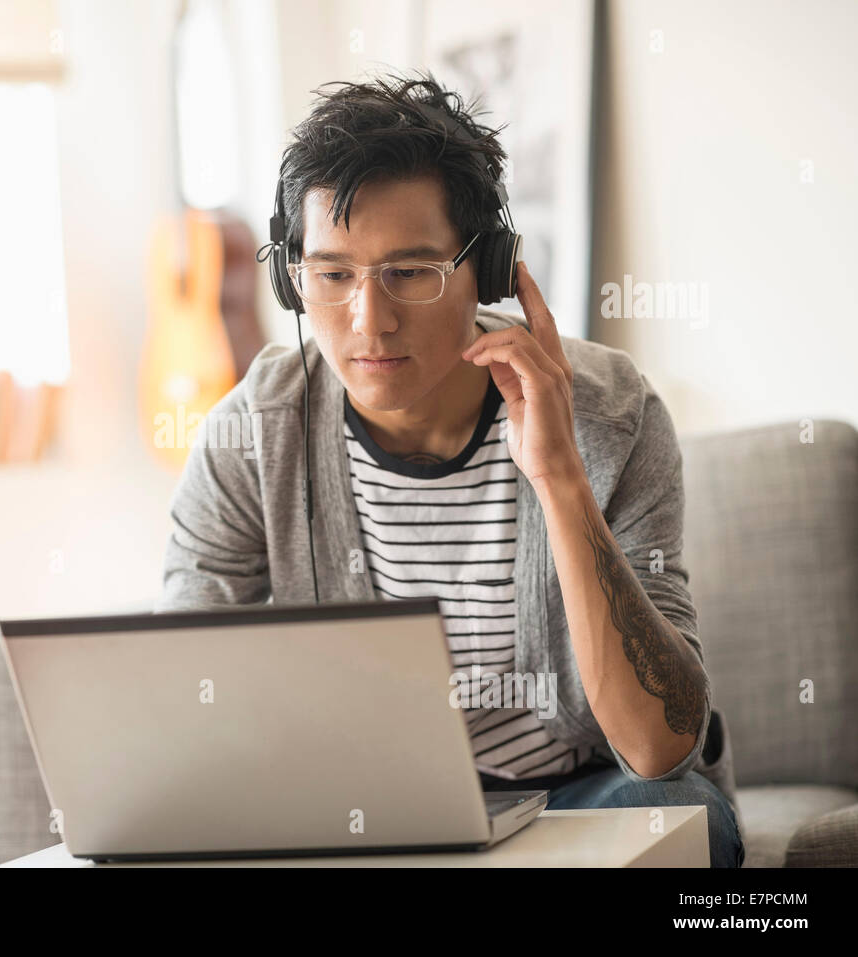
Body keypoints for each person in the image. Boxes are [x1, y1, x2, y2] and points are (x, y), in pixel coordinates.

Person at [155, 70, 743, 867]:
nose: (369, 320)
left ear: (490, 268)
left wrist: (560, 476)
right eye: (332, 275)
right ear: (290, 278)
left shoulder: (614, 414)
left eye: (410, 272)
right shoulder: (250, 438)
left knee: (677, 815)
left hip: (585, 789)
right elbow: (183, 708)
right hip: (362, 810)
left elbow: (657, 745)